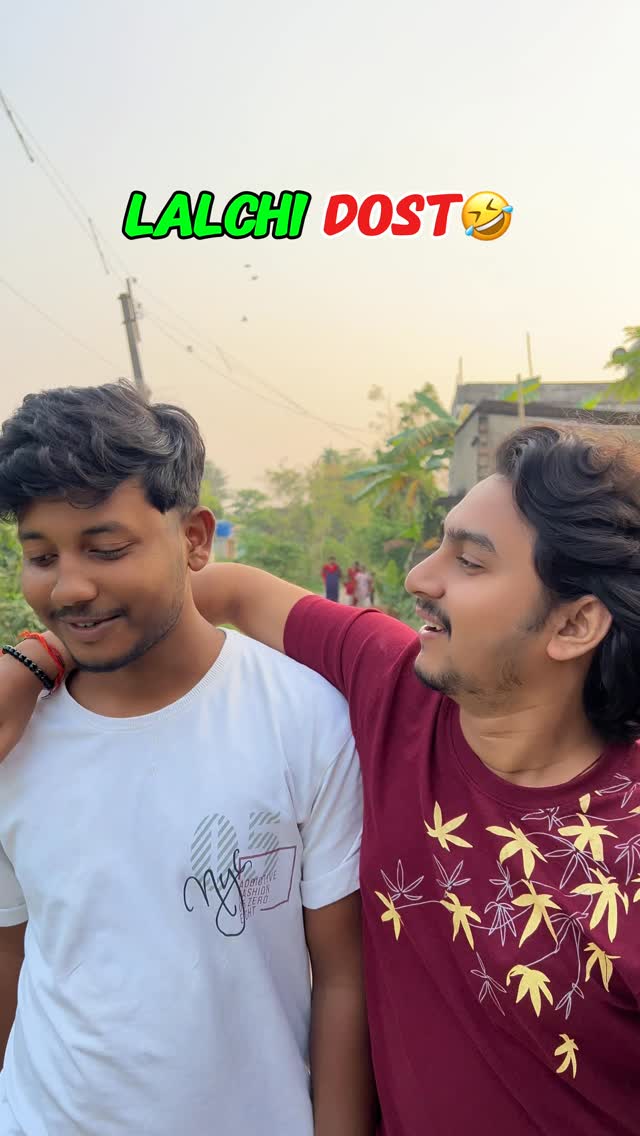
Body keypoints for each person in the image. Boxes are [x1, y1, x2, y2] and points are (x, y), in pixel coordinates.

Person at [6, 423, 640, 1134]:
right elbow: (218, 587)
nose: (418, 578)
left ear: (575, 624)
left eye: (469, 562)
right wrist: (35, 658)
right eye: (440, 545)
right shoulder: (391, 685)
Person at [0, 382, 374, 1136]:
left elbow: (344, 978)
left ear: (195, 539)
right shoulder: (14, 734)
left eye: (106, 549)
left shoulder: (304, 719)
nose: (70, 586)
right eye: (40, 556)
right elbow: (12, 953)